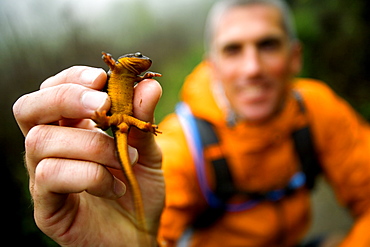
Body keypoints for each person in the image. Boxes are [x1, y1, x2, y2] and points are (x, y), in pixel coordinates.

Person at [13, 0, 370, 246]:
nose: (252, 69)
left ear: (294, 58)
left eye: (268, 45)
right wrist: (138, 242)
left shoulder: (317, 106)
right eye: (233, 50)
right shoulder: (183, 147)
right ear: (210, 65)